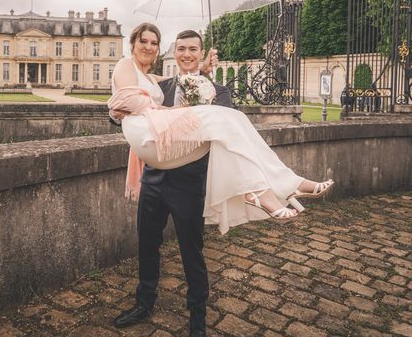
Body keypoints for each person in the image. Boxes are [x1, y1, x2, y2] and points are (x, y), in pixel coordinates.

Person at [110, 23, 334, 336]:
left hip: (189, 183)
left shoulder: (220, 91)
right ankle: (144, 303)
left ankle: (197, 317)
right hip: (153, 177)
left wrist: (202, 88)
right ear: (174, 54)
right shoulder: (164, 85)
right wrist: (119, 112)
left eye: (193, 50)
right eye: (182, 49)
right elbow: (125, 103)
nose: (187, 54)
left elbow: (226, 137)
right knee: (148, 244)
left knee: (192, 251)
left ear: (202, 54)